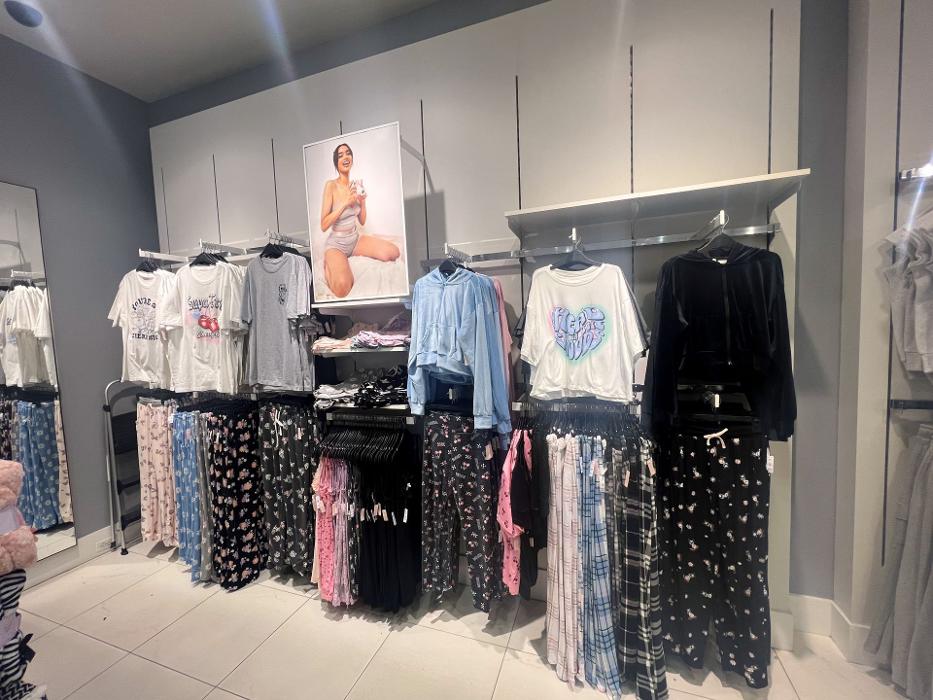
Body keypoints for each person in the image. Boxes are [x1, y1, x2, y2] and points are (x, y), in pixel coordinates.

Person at [320, 143, 401, 297]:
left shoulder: (355, 186)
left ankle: (341, 260)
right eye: (340, 155)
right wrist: (345, 203)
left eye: (348, 153)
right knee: (342, 289)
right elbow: (323, 225)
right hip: (336, 245)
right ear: (336, 162)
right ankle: (329, 265)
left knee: (393, 252)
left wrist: (362, 202)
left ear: (352, 158)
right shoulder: (331, 186)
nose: (345, 157)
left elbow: (362, 221)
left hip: (355, 240)